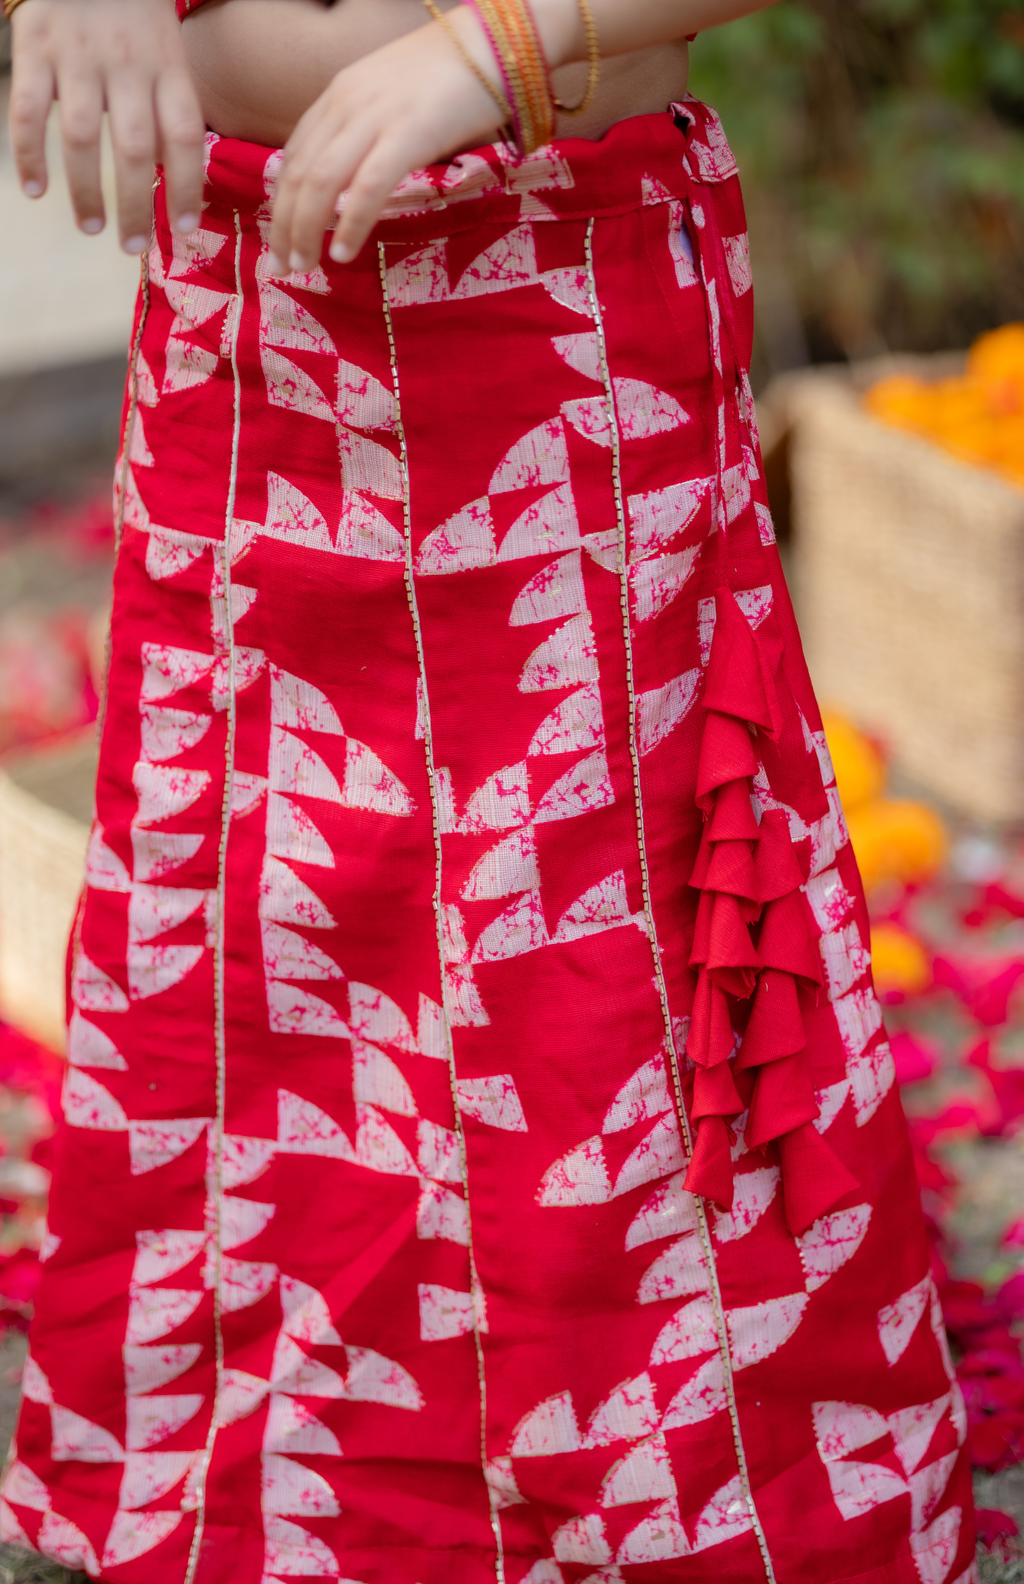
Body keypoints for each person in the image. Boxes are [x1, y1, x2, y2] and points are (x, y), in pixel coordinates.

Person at [2, 2, 976, 1581]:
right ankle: (267, 1499)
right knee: (267, 931)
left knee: (595, 953)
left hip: (561, 276)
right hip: (247, 289)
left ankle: (650, 1498)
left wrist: (492, 51)